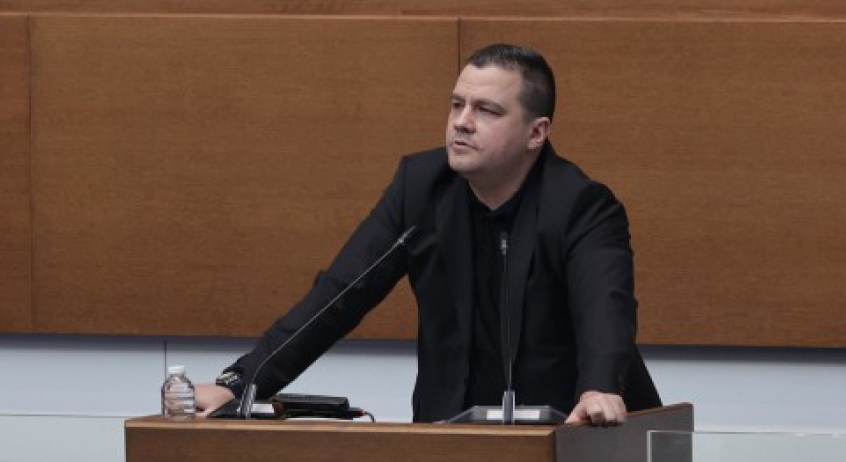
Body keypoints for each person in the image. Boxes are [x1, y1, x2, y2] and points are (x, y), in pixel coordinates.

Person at [194, 44, 660, 425]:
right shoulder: (420, 188)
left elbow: (606, 308)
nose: (462, 121)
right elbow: (339, 295)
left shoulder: (581, 205)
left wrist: (599, 388)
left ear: (536, 133)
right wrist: (241, 382)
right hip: (449, 434)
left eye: (487, 110)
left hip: (568, 431)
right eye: (457, 104)